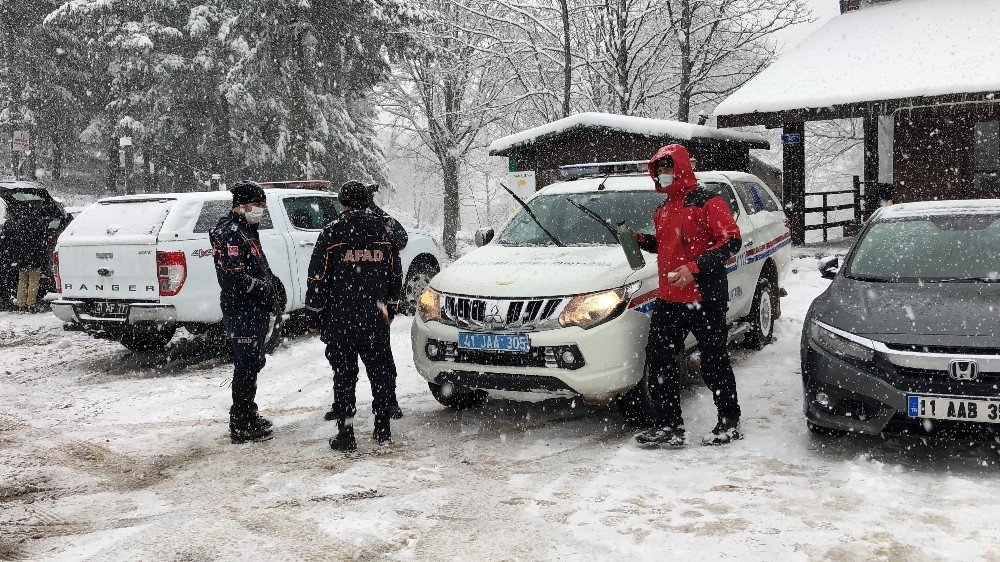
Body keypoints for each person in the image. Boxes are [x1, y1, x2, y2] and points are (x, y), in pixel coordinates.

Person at [632, 144, 744, 448]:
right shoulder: (663, 208)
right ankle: (669, 426)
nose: (663, 175)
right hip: (669, 298)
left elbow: (731, 242)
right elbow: (666, 245)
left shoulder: (708, 201)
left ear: (681, 167)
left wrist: (694, 269)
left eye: (667, 169)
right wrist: (641, 240)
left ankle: (729, 422)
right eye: (658, 170)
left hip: (705, 297)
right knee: (660, 361)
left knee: (713, 361)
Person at [306, 182, 403, 452]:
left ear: (343, 204)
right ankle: (382, 428)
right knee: (380, 373)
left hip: (340, 320)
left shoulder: (331, 233)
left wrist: (313, 315)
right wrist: (390, 307)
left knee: (344, 376)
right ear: (367, 203)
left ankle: (346, 433)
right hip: (375, 318)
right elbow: (396, 275)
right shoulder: (384, 233)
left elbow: (317, 278)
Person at [210, 181, 285, 444]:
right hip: (241, 308)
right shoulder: (231, 233)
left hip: (253, 308)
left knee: (253, 362)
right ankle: (240, 422)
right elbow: (234, 279)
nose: (261, 210)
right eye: (258, 205)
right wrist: (263, 288)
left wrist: (273, 284)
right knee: (245, 365)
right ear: (242, 205)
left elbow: (256, 265)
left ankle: (248, 412)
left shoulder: (246, 229)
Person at [9, 211, 47, 312]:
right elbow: (41, 243)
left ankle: (21, 304)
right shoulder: (37, 225)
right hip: (34, 259)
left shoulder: (18, 226)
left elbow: (15, 243)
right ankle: (31, 304)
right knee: (33, 282)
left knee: (22, 282)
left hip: (22, 260)